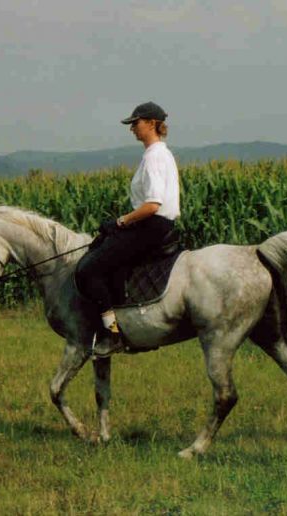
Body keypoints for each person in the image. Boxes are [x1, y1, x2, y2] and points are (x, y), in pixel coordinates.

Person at [76, 101, 181, 357]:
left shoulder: (154, 157)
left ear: (152, 124)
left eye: (136, 123)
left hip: (152, 226)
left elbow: (153, 205)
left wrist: (120, 222)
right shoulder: (159, 153)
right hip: (152, 225)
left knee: (87, 270)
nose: (132, 128)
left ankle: (112, 335)